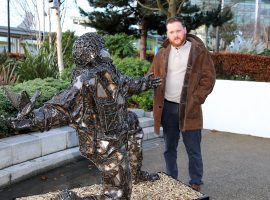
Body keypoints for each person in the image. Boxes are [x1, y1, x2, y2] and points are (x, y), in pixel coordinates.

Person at [4, 32, 161, 200]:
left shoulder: (108, 71)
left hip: (119, 126)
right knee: (119, 195)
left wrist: (145, 83)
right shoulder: (85, 79)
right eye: (102, 49)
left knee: (133, 122)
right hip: (103, 140)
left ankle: (134, 174)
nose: (106, 51)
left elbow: (127, 83)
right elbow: (62, 105)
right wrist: (33, 118)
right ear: (94, 54)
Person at [148, 17, 216, 192]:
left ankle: (195, 182)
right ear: (168, 34)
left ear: (185, 30)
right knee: (169, 148)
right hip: (167, 108)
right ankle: (172, 178)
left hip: (189, 109)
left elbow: (209, 79)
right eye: (171, 32)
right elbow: (151, 74)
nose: (175, 35)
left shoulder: (199, 51)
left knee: (193, 149)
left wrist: (196, 99)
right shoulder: (162, 52)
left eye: (178, 30)